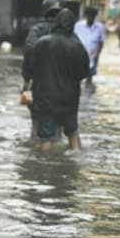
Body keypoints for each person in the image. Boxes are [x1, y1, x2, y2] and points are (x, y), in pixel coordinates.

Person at [22, 9, 90, 152]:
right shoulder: (78, 46)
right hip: (70, 98)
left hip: (45, 96)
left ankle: (45, 166)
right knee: (72, 132)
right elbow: (84, 73)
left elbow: (30, 67)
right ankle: (75, 161)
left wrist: (29, 82)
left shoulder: (42, 43)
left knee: (46, 137)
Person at [22, 0, 65, 137]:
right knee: (59, 126)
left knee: (36, 124)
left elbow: (29, 52)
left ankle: (36, 155)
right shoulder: (70, 32)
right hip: (64, 86)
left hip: (40, 83)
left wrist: (27, 78)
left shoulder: (37, 30)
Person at [73, 7, 106, 85]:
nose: (90, 17)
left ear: (95, 16)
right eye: (89, 15)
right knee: (77, 78)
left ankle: (89, 94)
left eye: (93, 16)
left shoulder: (100, 27)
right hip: (79, 56)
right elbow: (73, 39)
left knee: (89, 78)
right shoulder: (78, 25)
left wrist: (97, 55)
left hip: (92, 56)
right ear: (85, 15)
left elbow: (101, 42)